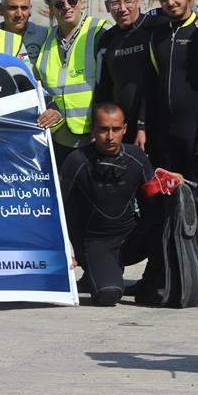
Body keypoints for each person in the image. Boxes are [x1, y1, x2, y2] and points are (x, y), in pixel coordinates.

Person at [137, 0, 198, 298]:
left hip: (196, 135)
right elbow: (150, 87)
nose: (171, 2)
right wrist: (142, 127)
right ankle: (171, 270)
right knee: (166, 204)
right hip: (165, 137)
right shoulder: (157, 35)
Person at [60, 103, 172, 306]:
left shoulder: (136, 157)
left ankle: (150, 282)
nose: (110, 136)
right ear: (93, 129)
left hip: (131, 240)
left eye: (116, 129)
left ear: (125, 129)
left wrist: (172, 186)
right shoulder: (77, 161)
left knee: (172, 216)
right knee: (108, 295)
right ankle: (97, 275)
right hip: (96, 243)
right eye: (103, 129)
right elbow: (62, 210)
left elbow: (153, 202)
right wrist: (70, 250)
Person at [33, 0, 111, 168]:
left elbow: (112, 84)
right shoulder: (47, 39)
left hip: (94, 135)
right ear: (51, 9)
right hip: (58, 136)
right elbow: (40, 85)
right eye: (59, 4)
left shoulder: (99, 31)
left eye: (72, 1)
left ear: (80, 1)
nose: (67, 7)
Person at [95, 0, 154, 145]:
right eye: (115, 3)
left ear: (138, 1)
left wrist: (143, 125)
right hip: (120, 129)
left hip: (154, 122)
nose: (122, 8)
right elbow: (103, 86)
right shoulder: (107, 39)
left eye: (128, 1)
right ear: (107, 6)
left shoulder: (154, 29)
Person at [0, 0, 49, 66]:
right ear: (1, 9)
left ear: (30, 10)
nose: (19, 14)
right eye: (13, 8)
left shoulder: (45, 35)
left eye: (24, 8)